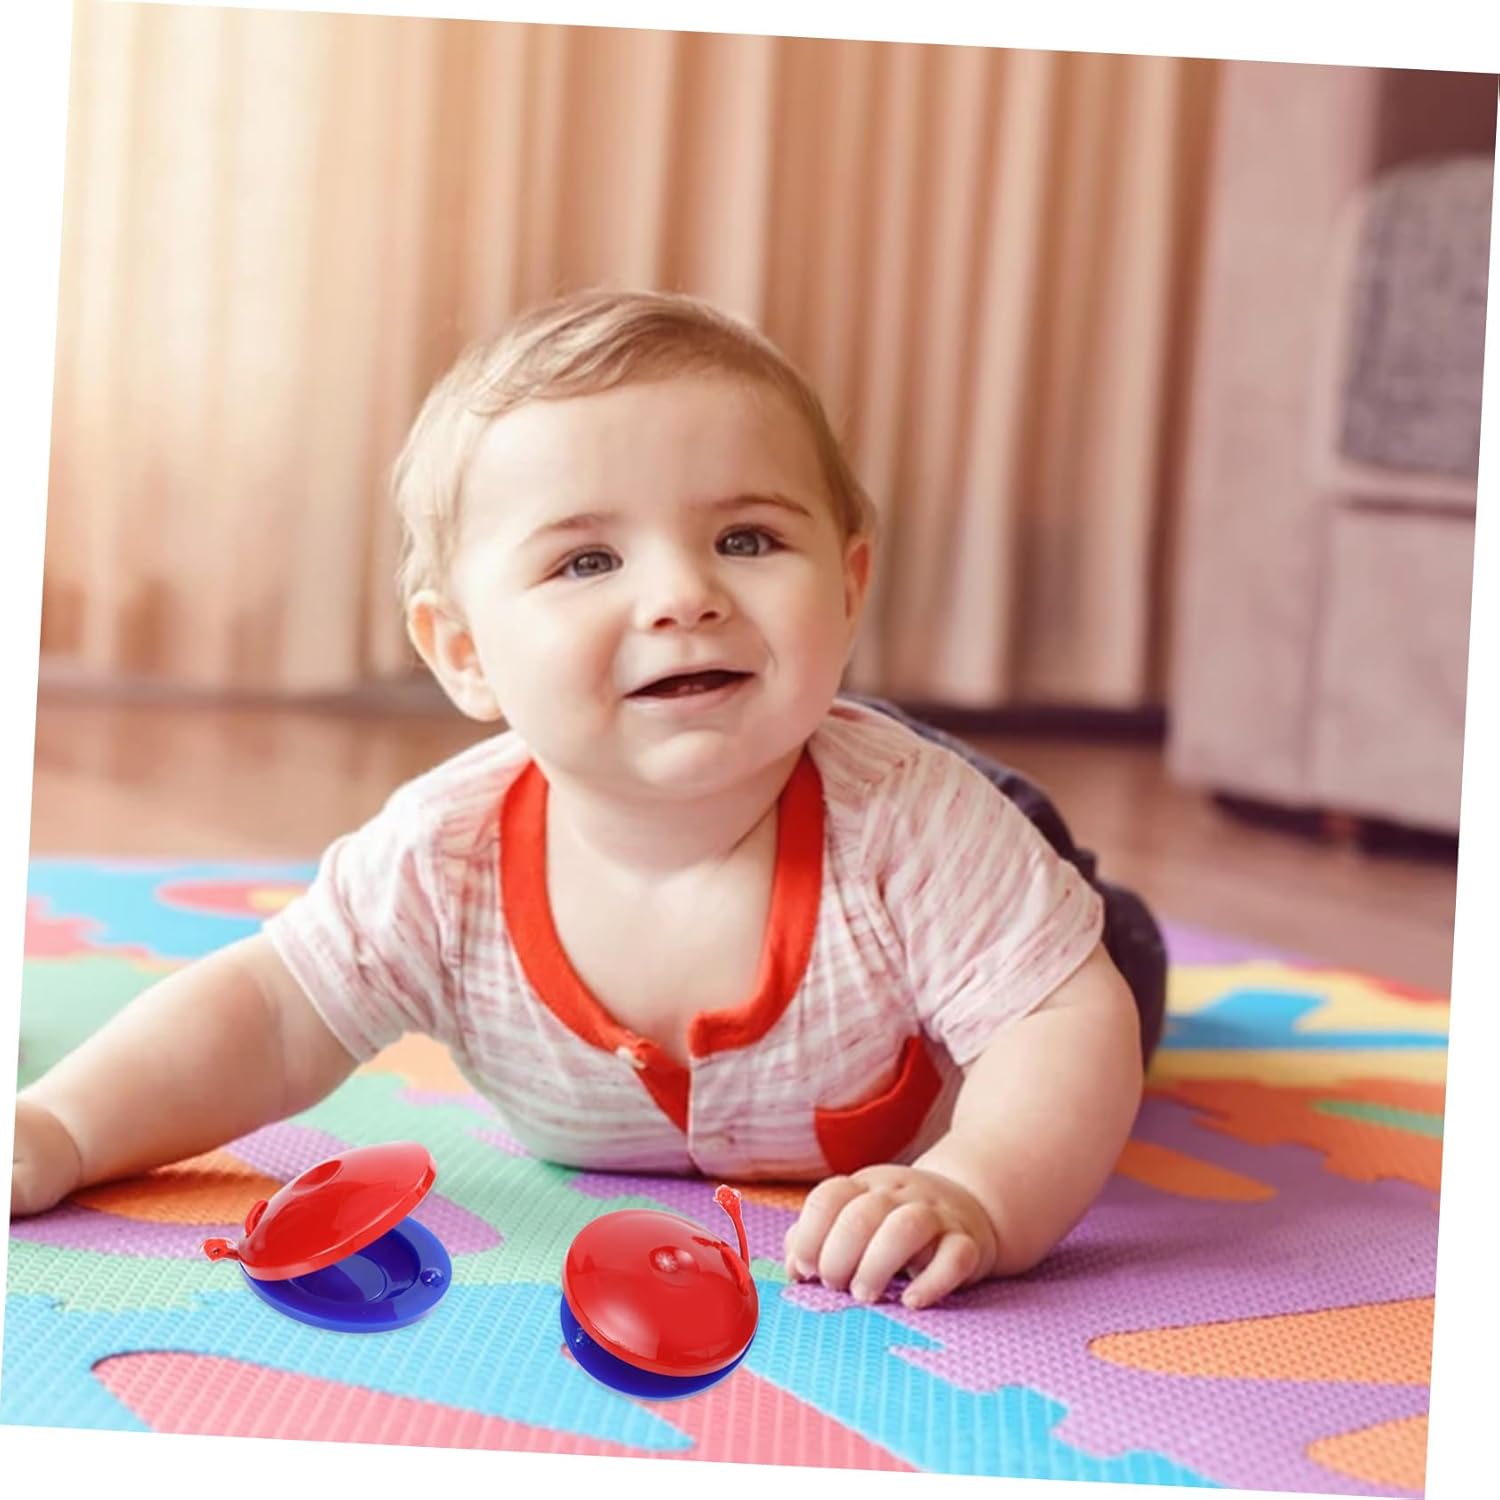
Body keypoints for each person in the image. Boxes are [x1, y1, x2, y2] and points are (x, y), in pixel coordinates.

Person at [11, 289, 1165, 1311]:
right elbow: (268, 1016)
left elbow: (1055, 1021)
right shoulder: (443, 857)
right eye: (587, 562)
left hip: (958, 849)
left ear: (849, 585)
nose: (684, 595)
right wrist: (63, 1126)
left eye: (747, 538)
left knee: (1102, 972)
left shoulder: (913, 826)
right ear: (464, 651)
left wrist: (980, 1188)